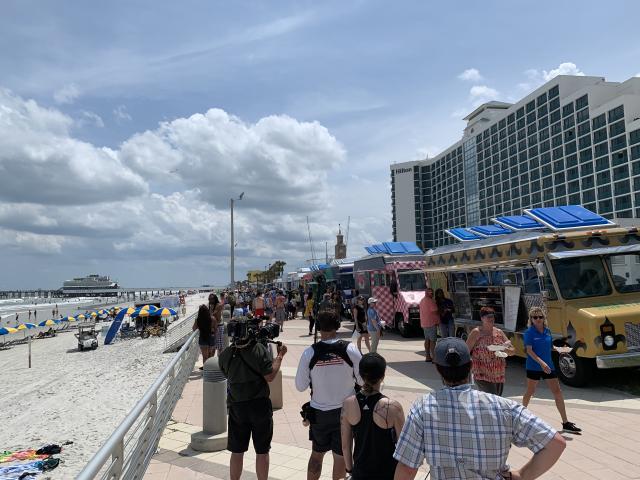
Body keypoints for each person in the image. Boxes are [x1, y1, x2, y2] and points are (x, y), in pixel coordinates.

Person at [393, 337, 566, 480]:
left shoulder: (422, 408)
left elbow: (407, 468)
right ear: (470, 366)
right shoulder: (505, 407)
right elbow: (556, 444)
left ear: (438, 369)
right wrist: (521, 475)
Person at [295, 310, 363, 480]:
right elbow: (363, 381)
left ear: (318, 328)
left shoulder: (309, 353)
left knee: (317, 454)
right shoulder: (350, 349)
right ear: (337, 326)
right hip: (345, 413)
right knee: (340, 456)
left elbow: (300, 386)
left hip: (319, 414)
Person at [219, 320, 288, 480]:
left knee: (237, 451)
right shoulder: (259, 350)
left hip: (237, 407)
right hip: (259, 406)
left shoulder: (225, 355)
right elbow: (270, 375)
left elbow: (226, 374)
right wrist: (279, 355)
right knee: (262, 451)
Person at [341, 353, 404, 480]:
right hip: (387, 473)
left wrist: (350, 470)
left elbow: (345, 445)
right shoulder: (393, 407)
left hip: (360, 472)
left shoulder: (348, 404)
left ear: (361, 375)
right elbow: (403, 446)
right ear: (383, 375)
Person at [523, 307, 582, 434]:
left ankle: (566, 423)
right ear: (531, 319)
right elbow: (529, 351)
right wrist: (541, 363)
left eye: (540, 317)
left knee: (557, 392)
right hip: (534, 366)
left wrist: (560, 349)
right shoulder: (529, 333)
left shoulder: (547, 331)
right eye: (535, 317)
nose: (538, 319)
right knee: (530, 391)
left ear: (544, 318)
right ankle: (519, 417)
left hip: (549, 366)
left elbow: (550, 347)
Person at [466, 306, 515, 396]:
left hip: (498, 374)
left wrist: (502, 348)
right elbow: (465, 351)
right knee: (491, 399)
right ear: (482, 318)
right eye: (488, 317)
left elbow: (512, 351)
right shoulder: (476, 332)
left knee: (496, 400)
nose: (491, 319)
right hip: (482, 374)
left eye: (492, 316)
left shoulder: (499, 332)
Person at [419, 288, 439, 362]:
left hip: (424, 323)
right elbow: (435, 310)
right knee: (433, 341)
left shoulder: (422, 300)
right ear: (427, 293)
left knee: (427, 340)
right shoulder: (430, 301)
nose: (432, 294)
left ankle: (427, 356)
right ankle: (434, 358)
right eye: (431, 293)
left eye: (432, 293)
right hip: (431, 323)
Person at [209, 293, 224, 358]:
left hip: (219, 326)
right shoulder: (211, 306)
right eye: (209, 299)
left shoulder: (219, 305)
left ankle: (220, 359)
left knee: (219, 346)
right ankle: (212, 359)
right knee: (213, 345)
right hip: (213, 327)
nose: (210, 300)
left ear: (215, 299)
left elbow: (212, 315)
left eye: (212, 299)